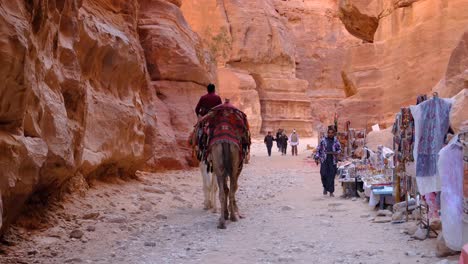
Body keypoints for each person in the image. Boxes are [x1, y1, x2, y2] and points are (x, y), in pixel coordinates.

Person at [314, 126, 342, 197]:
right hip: (324, 159)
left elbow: (339, 149)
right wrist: (316, 157)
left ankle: (331, 192)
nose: (330, 134)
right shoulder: (323, 140)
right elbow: (318, 149)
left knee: (331, 176)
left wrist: (336, 152)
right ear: (327, 133)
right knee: (323, 174)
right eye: (329, 133)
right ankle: (325, 187)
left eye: (332, 133)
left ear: (334, 134)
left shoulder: (336, 141)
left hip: (332, 160)